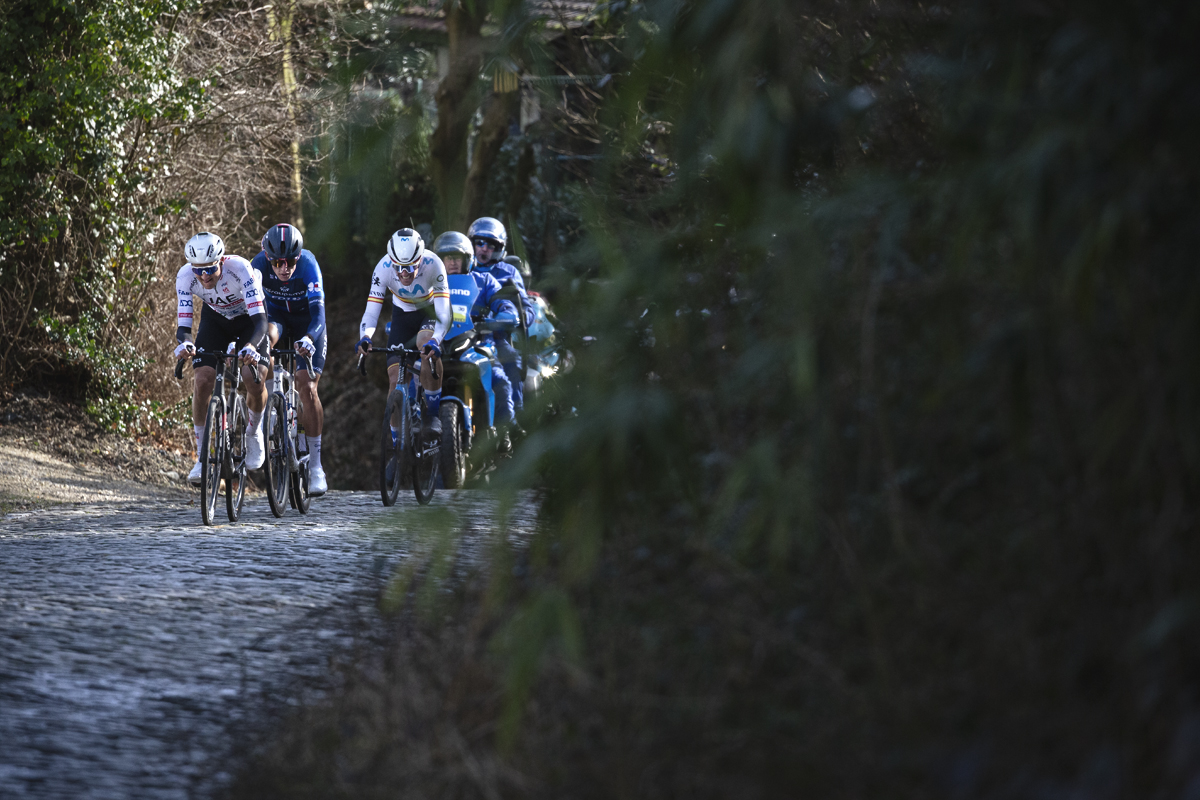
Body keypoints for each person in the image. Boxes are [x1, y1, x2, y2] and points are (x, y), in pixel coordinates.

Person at [173, 232, 269, 484]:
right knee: (202, 379)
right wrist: (186, 343)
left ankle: (253, 431)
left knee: (253, 378)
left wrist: (250, 346)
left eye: (210, 269)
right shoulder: (185, 276)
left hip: (249, 321)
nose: (204, 276)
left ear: (221, 261)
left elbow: (261, 322)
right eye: (198, 270)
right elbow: (184, 325)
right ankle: (202, 457)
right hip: (215, 320)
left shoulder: (240, 269)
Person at [250, 223, 328, 495]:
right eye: (278, 263)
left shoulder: (309, 266)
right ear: (267, 258)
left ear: (298, 257)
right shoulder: (257, 266)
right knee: (264, 341)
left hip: (308, 323)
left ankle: (316, 466)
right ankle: (272, 400)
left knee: (307, 387)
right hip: (277, 319)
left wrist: (309, 338)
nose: (285, 268)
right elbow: (251, 312)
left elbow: (319, 316)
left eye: (290, 262)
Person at [355, 228, 450, 440]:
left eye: (409, 267)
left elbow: (444, 312)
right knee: (395, 379)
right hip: (402, 317)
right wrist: (365, 337)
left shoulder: (434, 264)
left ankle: (432, 415)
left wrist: (436, 340)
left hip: (429, 312)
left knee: (425, 345)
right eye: (398, 267)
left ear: (420, 260)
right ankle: (398, 444)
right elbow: (371, 312)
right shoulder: (383, 268)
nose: (404, 273)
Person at [430, 231, 518, 430]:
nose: (453, 262)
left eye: (457, 257)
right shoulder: (429, 285)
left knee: (500, 381)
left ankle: (504, 433)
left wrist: (505, 315)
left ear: (468, 260)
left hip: (477, 346)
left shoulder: (485, 281)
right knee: (414, 381)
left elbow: (504, 305)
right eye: (448, 257)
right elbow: (412, 311)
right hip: (436, 347)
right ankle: (410, 433)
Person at [466, 217, 535, 417]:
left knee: (511, 360)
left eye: (491, 245)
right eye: (480, 243)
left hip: (495, 336)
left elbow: (526, 308)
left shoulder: (508, 272)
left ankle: (514, 419)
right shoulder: (461, 268)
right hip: (459, 333)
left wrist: (516, 317)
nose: (484, 249)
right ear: (470, 244)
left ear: (500, 249)